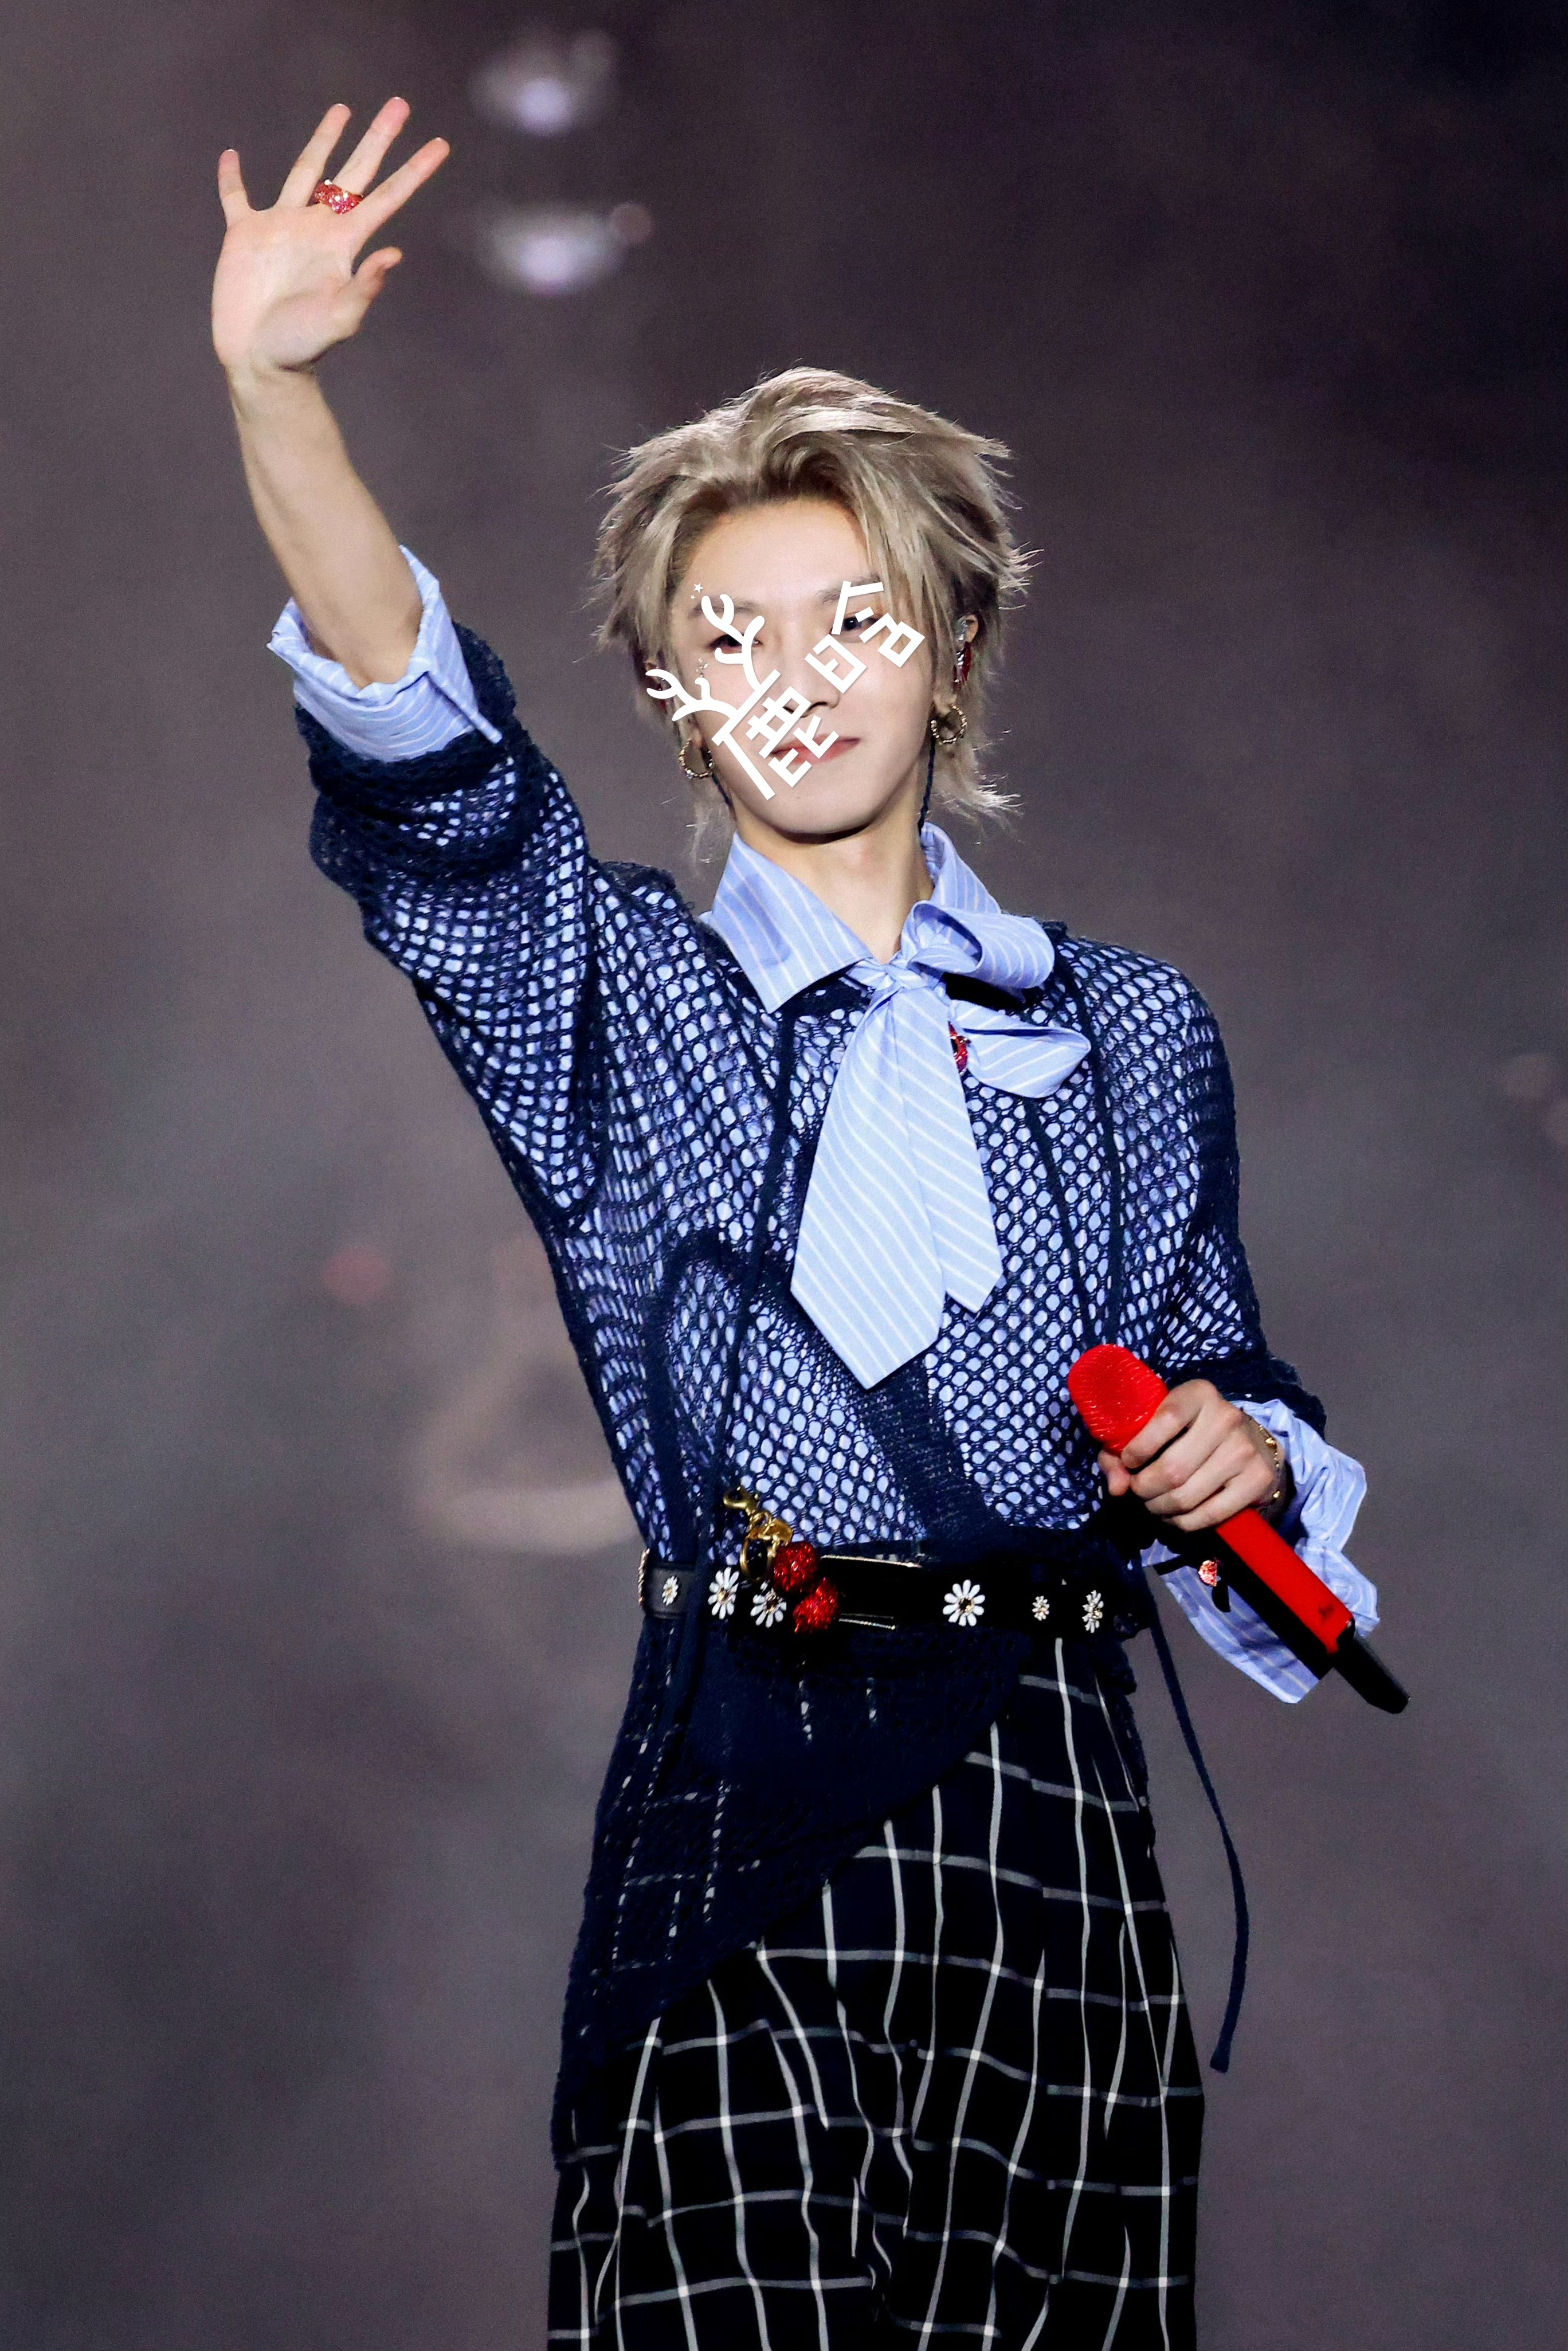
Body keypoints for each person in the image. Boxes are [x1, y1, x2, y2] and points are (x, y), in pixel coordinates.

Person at [214, 100, 1378, 2350]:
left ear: (954, 647)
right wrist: (276, 392)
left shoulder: (1128, 1030)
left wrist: (1238, 1458)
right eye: (727, 633)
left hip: (1059, 1812)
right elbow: (429, 760)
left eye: (856, 619)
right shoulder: (615, 995)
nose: (798, 673)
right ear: (671, 688)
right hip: (749, 1781)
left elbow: (1231, 1408)